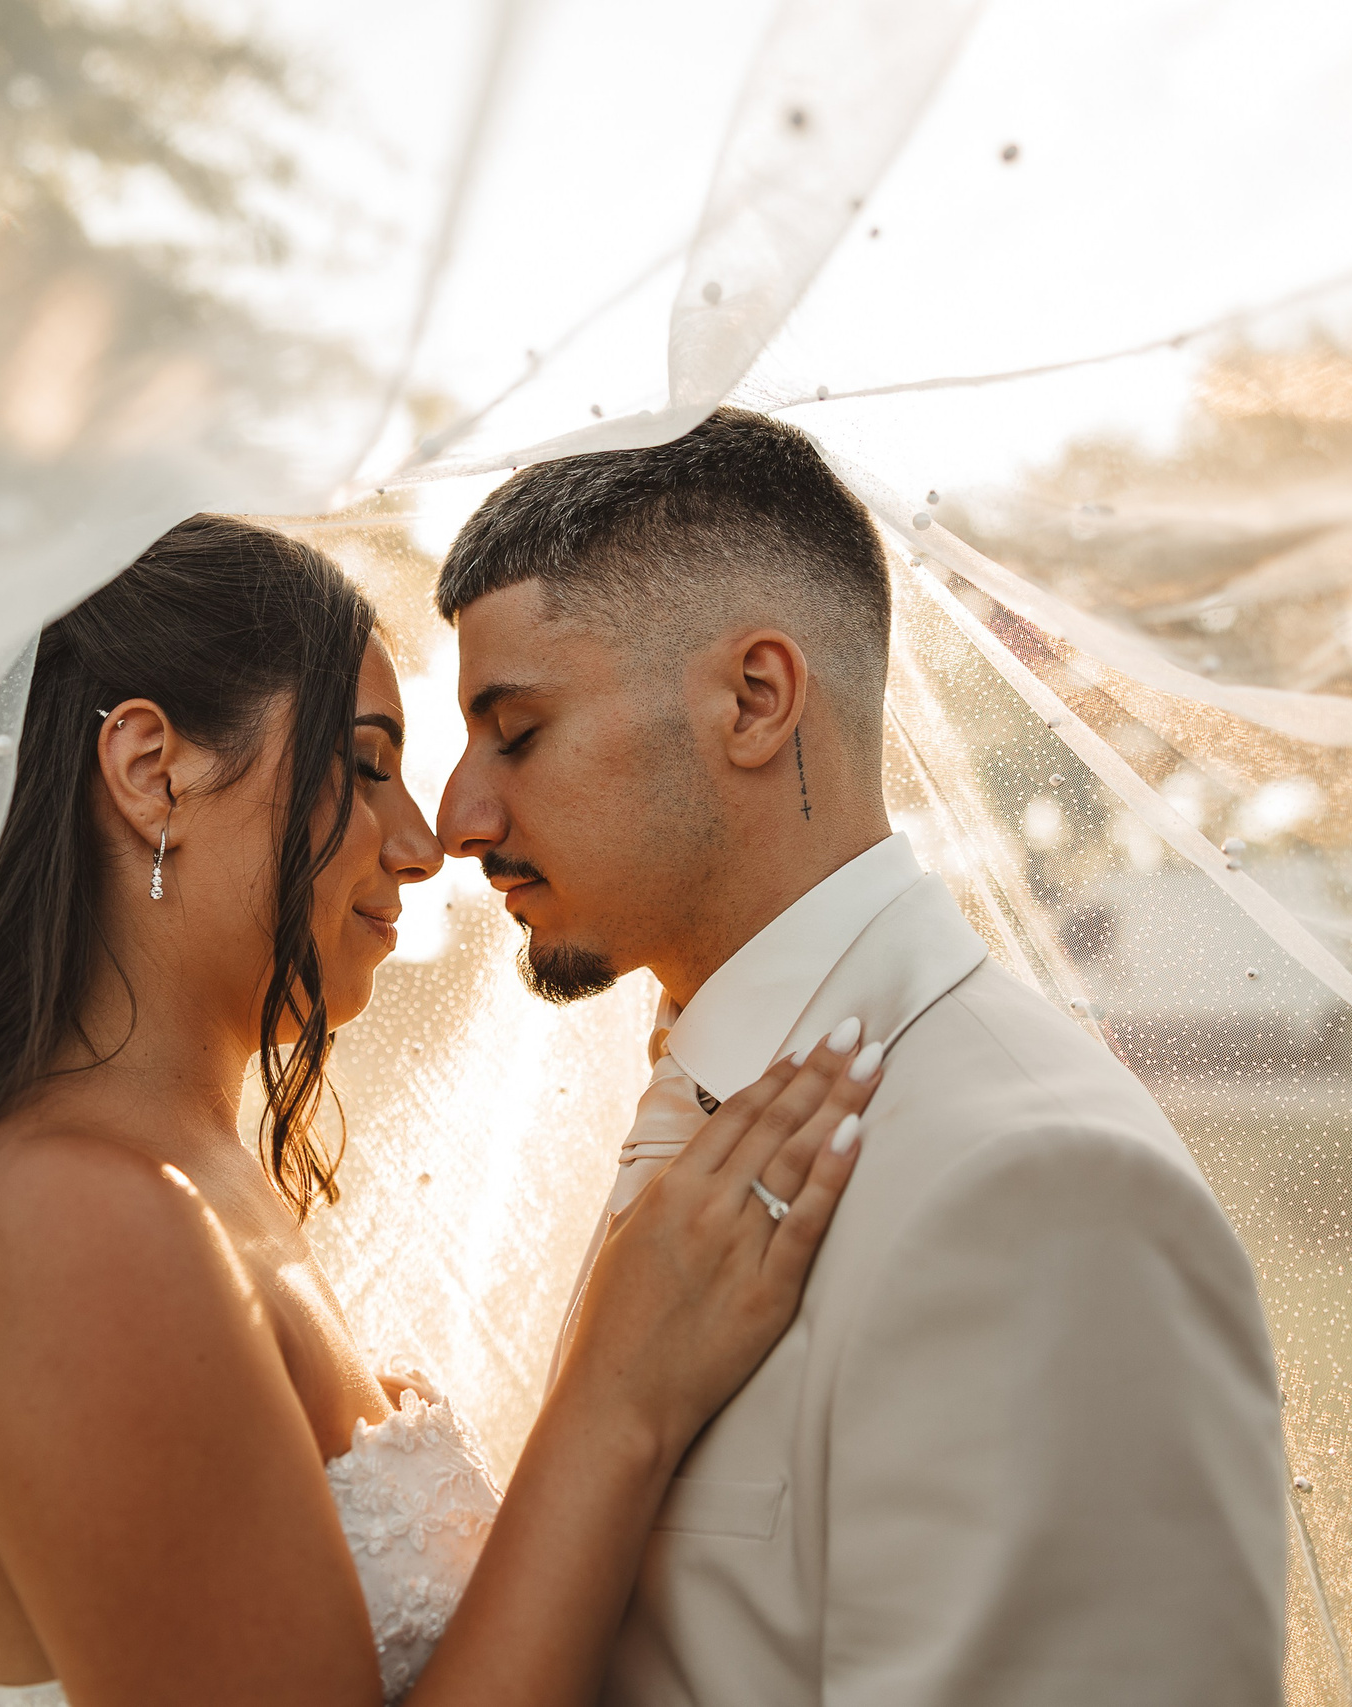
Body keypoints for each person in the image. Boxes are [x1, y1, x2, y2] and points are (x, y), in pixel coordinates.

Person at [0, 513, 877, 1706]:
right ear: (153, 771)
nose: (423, 845)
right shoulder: (73, 1223)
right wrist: (622, 1396)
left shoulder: (191, 1181)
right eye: (366, 767)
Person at [430, 407, 1291, 1706]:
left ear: (755, 698)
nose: (458, 814)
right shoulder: (718, 1099)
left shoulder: (1032, 1186)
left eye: (518, 728)